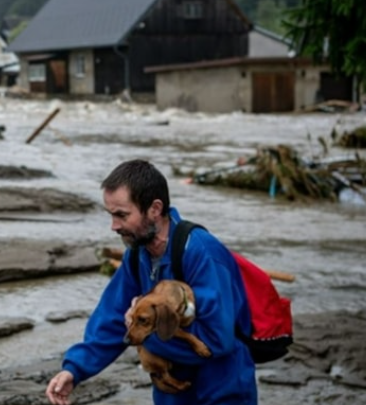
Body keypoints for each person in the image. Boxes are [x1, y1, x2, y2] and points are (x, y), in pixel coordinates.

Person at [45, 159, 257, 405]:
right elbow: (113, 318)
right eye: (111, 215)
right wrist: (74, 370)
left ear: (154, 209)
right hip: (172, 394)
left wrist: (145, 334)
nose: (114, 226)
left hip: (222, 393)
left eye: (122, 215)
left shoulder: (202, 253)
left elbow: (217, 341)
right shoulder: (137, 254)